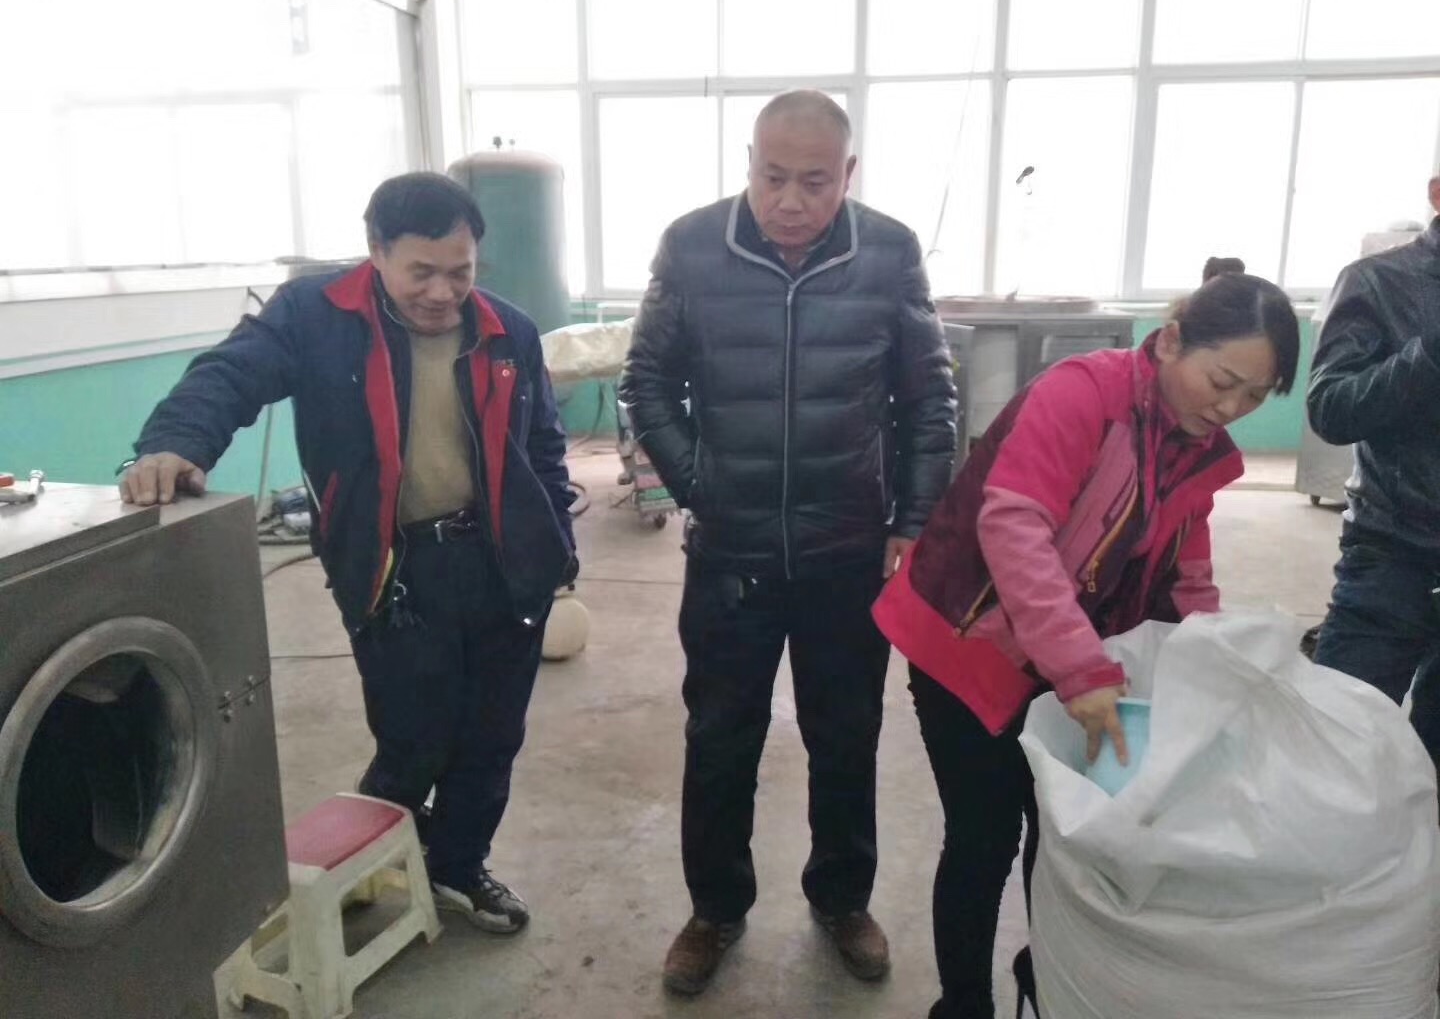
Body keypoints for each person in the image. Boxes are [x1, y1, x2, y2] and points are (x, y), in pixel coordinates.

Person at [120, 172, 577, 933]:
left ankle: (458, 867)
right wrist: (175, 441)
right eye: (421, 272)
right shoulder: (317, 316)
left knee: (492, 735)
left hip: (501, 563)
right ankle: (369, 852)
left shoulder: (510, 331)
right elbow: (230, 374)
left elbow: (545, 447)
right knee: (414, 736)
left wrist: (555, 541)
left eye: (460, 272)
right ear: (376, 251)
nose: (442, 293)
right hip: (394, 567)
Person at [872, 273, 1300, 1018]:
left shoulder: (1194, 447)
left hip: (1074, 659)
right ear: (1170, 341)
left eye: (1256, 396)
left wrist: (1215, 666)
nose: (1231, 408)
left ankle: (1052, 980)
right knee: (984, 837)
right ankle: (964, 1006)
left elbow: (1187, 571)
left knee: (1068, 835)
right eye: (1222, 382)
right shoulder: (1083, 395)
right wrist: (1081, 669)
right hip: (971, 642)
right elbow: (1014, 528)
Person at [619, 89, 956, 995]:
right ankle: (715, 909)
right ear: (750, 163)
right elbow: (646, 381)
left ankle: (842, 899)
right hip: (730, 557)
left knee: (845, 736)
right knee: (719, 737)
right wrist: (703, 487)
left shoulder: (888, 252)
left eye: (815, 181)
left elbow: (929, 398)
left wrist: (913, 519)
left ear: (850, 174)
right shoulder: (694, 246)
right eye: (773, 177)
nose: (791, 200)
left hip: (847, 551)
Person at [1308, 175, 1440, 774]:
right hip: (1393, 553)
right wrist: (1428, 356)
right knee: (1336, 747)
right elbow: (1331, 409)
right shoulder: (1377, 282)